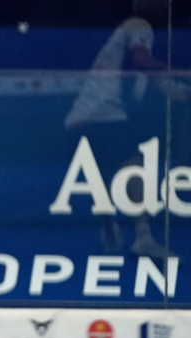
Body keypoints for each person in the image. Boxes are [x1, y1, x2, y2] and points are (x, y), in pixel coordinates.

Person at [64, 0, 187, 258]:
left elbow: (168, 90)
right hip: (103, 114)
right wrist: (177, 71)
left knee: (105, 177)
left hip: (81, 118)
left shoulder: (134, 37)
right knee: (133, 164)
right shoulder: (138, 25)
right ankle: (143, 237)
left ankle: (110, 233)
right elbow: (142, 61)